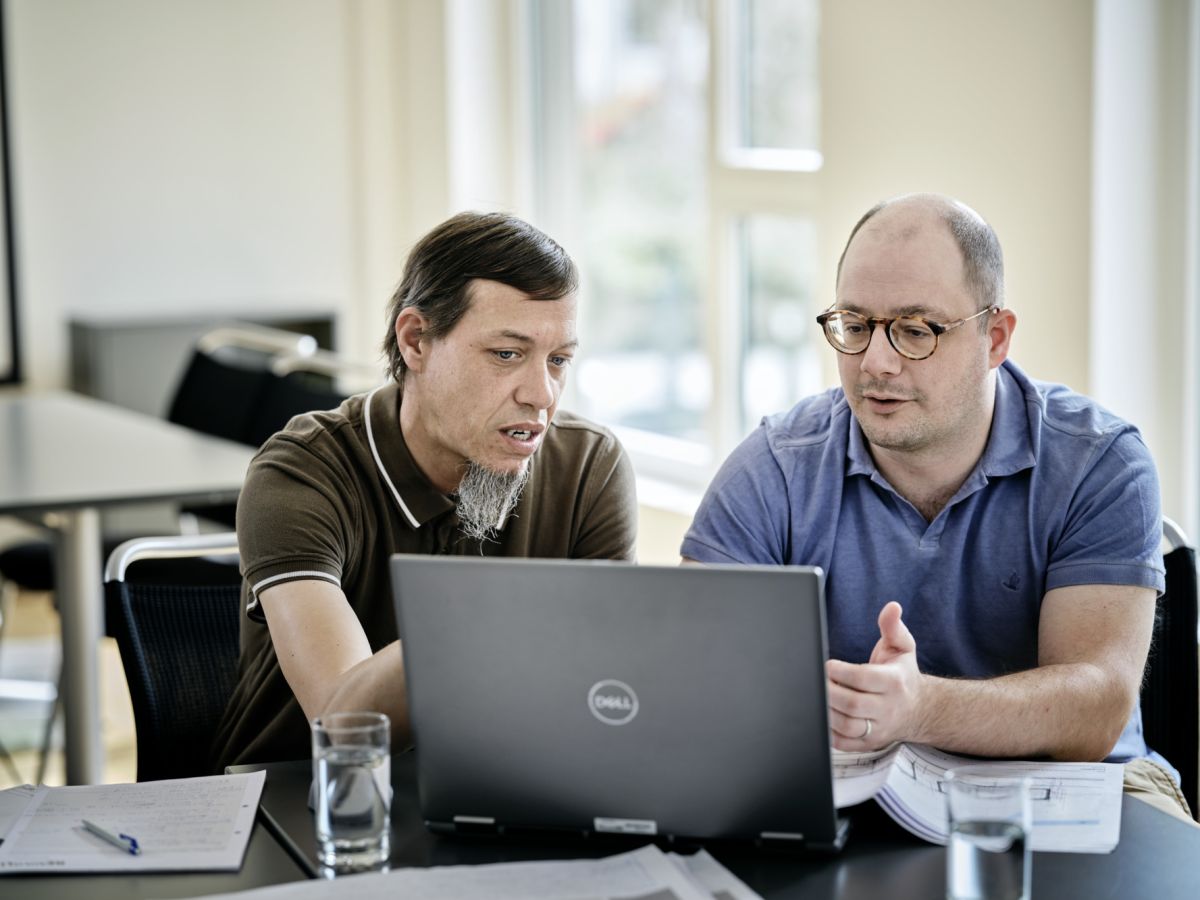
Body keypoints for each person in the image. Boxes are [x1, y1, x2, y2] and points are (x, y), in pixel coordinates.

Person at [681, 193, 1192, 820]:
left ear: (995, 337)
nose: (876, 362)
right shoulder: (776, 464)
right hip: (848, 786)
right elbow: (694, 673)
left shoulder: (1100, 462)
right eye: (856, 325)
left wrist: (917, 707)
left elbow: (1094, 714)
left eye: (916, 330)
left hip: (1081, 787)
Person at [212, 212, 638, 769]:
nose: (542, 394)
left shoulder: (589, 465)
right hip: (305, 805)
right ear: (416, 341)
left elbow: (607, 690)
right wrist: (515, 611)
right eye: (506, 354)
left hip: (507, 790)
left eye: (558, 360)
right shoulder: (302, 471)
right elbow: (344, 726)